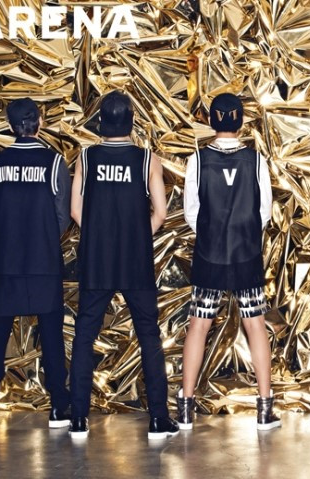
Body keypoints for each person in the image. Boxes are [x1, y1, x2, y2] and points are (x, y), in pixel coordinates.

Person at [68, 91, 178, 439]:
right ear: (131, 122)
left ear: (101, 122)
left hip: (97, 259)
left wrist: (100, 236)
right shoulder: (147, 160)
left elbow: (75, 210)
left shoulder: (86, 157)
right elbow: (161, 213)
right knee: (148, 335)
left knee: (85, 335)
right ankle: (158, 419)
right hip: (135, 260)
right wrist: (135, 236)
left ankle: (78, 419)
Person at [176, 93, 279, 430]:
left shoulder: (198, 160)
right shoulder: (256, 160)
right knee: (255, 325)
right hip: (246, 254)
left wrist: (211, 233)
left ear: (211, 120)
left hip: (210, 254)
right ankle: (264, 408)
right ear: (241, 121)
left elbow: (191, 212)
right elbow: (264, 212)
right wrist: (243, 233)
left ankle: (186, 407)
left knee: (198, 325)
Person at [0, 98, 71, 429]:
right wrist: (43, 238)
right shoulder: (54, 162)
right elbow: (63, 216)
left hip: (8, 262)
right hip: (44, 263)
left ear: (10, 126)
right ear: (39, 123)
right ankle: (59, 408)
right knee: (52, 336)